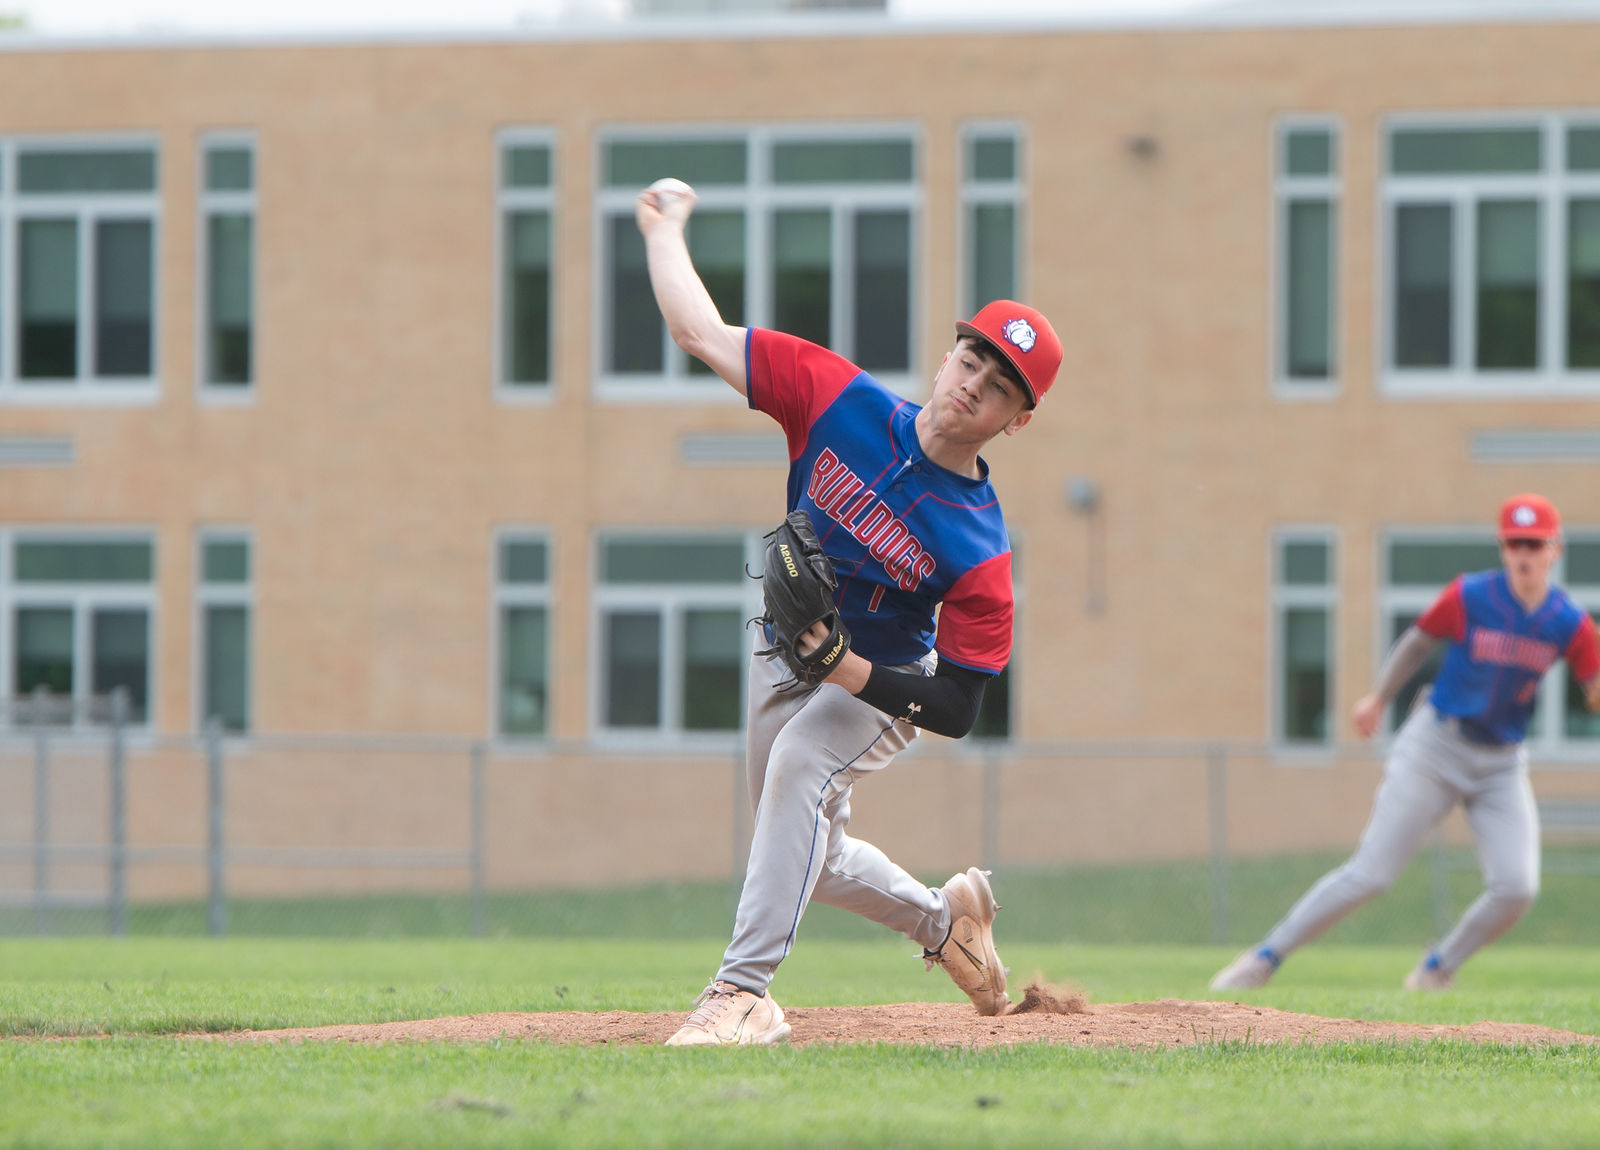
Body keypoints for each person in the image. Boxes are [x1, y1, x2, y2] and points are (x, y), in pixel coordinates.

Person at [634, 177, 1062, 1046]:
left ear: (1017, 420)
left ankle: (742, 993)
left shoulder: (981, 550)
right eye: (972, 359)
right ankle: (951, 927)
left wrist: (847, 671)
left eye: (1002, 385)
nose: (976, 384)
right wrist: (661, 227)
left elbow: (960, 708)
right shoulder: (837, 398)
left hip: (878, 688)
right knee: (806, 855)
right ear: (948, 356)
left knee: (800, 769)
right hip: (779, 653)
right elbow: (698, 332)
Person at [1212, 493, 1600, 993]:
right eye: (1514, 543)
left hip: (1502, 762)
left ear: (1555, 550)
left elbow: (1593, 685)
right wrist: (1377, 696)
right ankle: (1263, 958)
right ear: (1503, 549)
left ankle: (1436, 970)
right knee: (1372, 873)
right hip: (1437, 746)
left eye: (1535, 543)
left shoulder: (1569, 622)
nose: (1524, 553)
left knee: (1517, 887)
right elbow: (1419, 640)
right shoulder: (1471, 595)